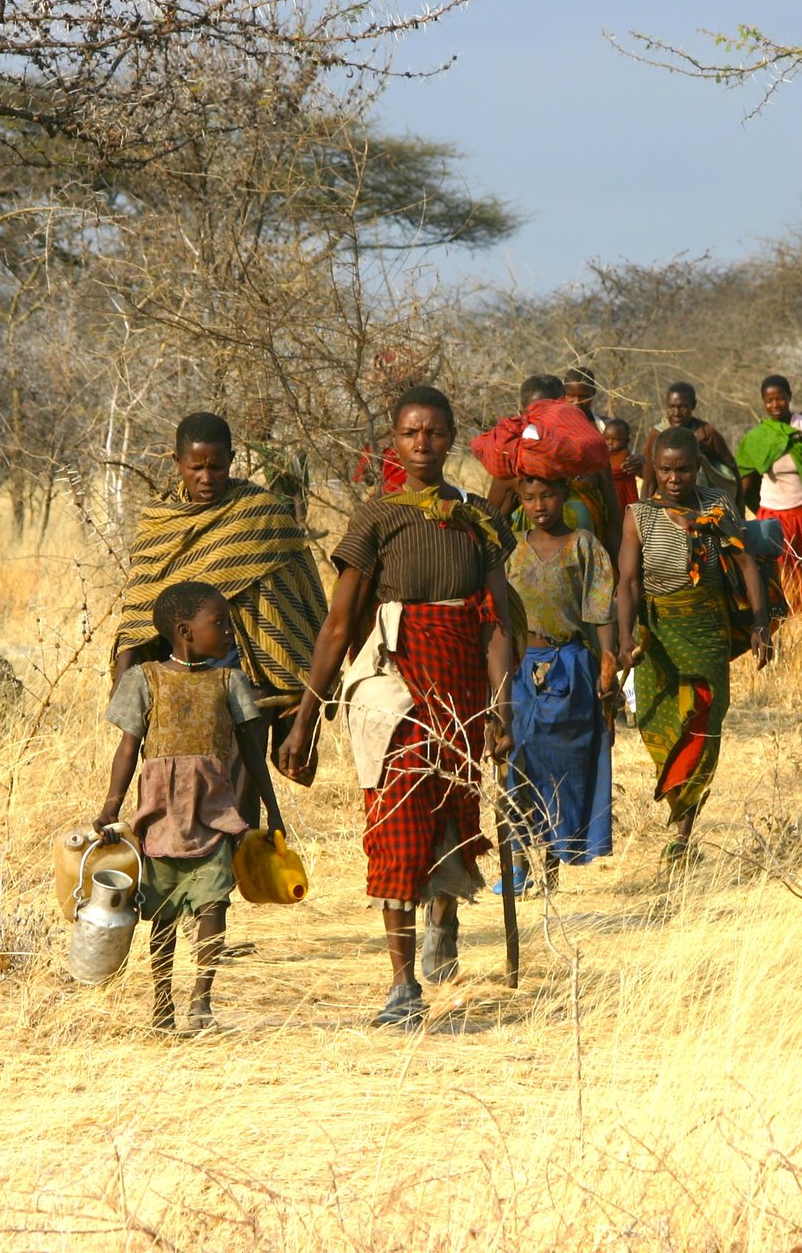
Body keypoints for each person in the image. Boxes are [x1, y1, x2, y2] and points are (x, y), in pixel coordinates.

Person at [279, 386, 516, 1027]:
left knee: (448, 814)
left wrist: (501, 707)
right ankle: (401, 984)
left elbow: (498, 623)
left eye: (436, 433)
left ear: (451, 438)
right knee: (396, 820)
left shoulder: (476, 518)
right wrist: (307, 714)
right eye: (412, 433)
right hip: (391, 685)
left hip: (462, 686)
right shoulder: (376, 518)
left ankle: (443, 916)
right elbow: (338, 623)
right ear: (395, 439)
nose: (423, 444)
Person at [97, 581, 286, 1032]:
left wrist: (272, 810)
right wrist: (110, 807)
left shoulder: (230, 681)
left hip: (214, 813)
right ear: (185, 631)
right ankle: (162, 1002)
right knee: (161, 913)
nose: (228, 633)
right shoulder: (145, 679)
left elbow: (252, 755)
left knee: (213, 903)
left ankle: (201, 1000)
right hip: (159, 816)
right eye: (218, 624)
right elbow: (128, 749)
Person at [112, 411, 329, 789]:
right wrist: (123, 687)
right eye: (196, 467)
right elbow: (136, 616)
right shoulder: (159, 524)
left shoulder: (261, 515)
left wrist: (304, 685)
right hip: (174, 689)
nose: (206, 478)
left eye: (217, 466)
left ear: (231, 459)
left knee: (239, 799)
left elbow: (303, 598)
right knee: (173, 793)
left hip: (251, 688)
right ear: (177, 463)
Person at [617, 428, 772, 864]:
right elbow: (627, 583)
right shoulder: (639, 515)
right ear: (654, 468)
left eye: (683, 468)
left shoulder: (715, 507)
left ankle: (683, 835)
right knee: (657, 725)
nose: (673, 478)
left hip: (707, 631)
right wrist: (626, 637)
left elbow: (745, 562)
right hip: (658, 634)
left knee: (701, 725)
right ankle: (680, 806)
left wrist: (761, 624)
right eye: (664, 469)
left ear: (697, 466)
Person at [500, 475, 620, 894]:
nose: (540, 505)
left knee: (559, 766)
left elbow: (601, 609)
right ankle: (516, 862)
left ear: (565, 495)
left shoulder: (583, 545)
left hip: (569, 667)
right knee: (514, 759)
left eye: (548, 495)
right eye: (529, 498)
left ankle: (551, 863)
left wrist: (609, 666)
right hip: (518, 667)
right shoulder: (510, 548)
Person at [484, 374, 625, 555]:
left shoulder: (592, 459)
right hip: (523, 578)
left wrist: (621, 576)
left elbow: (614, 527)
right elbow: (489, 533)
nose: (543, 422)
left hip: (588, 576)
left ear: (565, 411)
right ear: (521, 415)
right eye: (534, 415)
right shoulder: (513, 468)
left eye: (549, 413)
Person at [736, 375, 802, 618]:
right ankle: (782, 625)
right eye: (769, 400)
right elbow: (744, 482)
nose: (775, 405)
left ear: (790, 397)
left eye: (780, 398)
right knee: (780, 576)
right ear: (763, 402)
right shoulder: (757, 438)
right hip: (773, 517)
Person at [641, 382, 740, 499]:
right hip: (667, 502)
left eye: (682, 407)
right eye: (671, 407)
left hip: (704, 502)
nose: (676, 413)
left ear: (693, 405)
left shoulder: (706, 433)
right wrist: (645, 508)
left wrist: (739, 503)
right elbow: (649, 480)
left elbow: (730, 464)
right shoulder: (657, 435)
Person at [604, 418, 640, 509]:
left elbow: (617, 472)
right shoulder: (603, 452)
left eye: (615, 440)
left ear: (627, 441)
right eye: (607, 439)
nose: (610, 443)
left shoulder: (625, 456)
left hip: (621, 494)